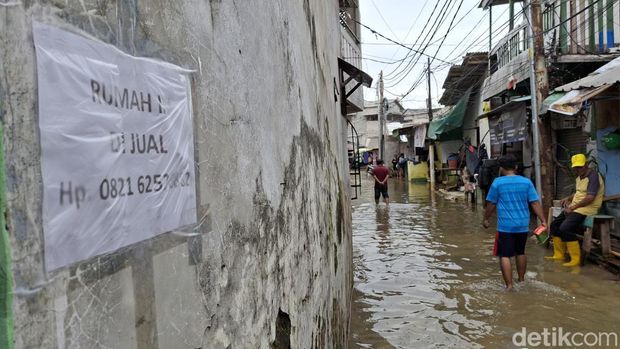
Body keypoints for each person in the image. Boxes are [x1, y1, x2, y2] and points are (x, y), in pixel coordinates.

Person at [483, 154, 547, 290]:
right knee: (520, 252)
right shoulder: (526, 182)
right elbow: (534, 203)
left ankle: (509, 286)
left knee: (504, 255)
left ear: (501, 168)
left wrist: (486, 218)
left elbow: (491, 204)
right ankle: (522, 280)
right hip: (523, 224)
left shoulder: (497, 183)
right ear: (516, 167)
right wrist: (543, 220)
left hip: (506, 226)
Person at [545, 153, 605, 267]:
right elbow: (578, 192)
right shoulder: (579, 178)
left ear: (586, 165)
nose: (578, 169)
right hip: (576, 208)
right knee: (554, 225)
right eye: (576, 167)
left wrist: (572, 207)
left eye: (580, 167)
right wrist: (568, 198)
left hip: (587, 209)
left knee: (565, 228)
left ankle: (575, 259)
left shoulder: (593, 176)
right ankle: (559, 254)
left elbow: (590, 198)